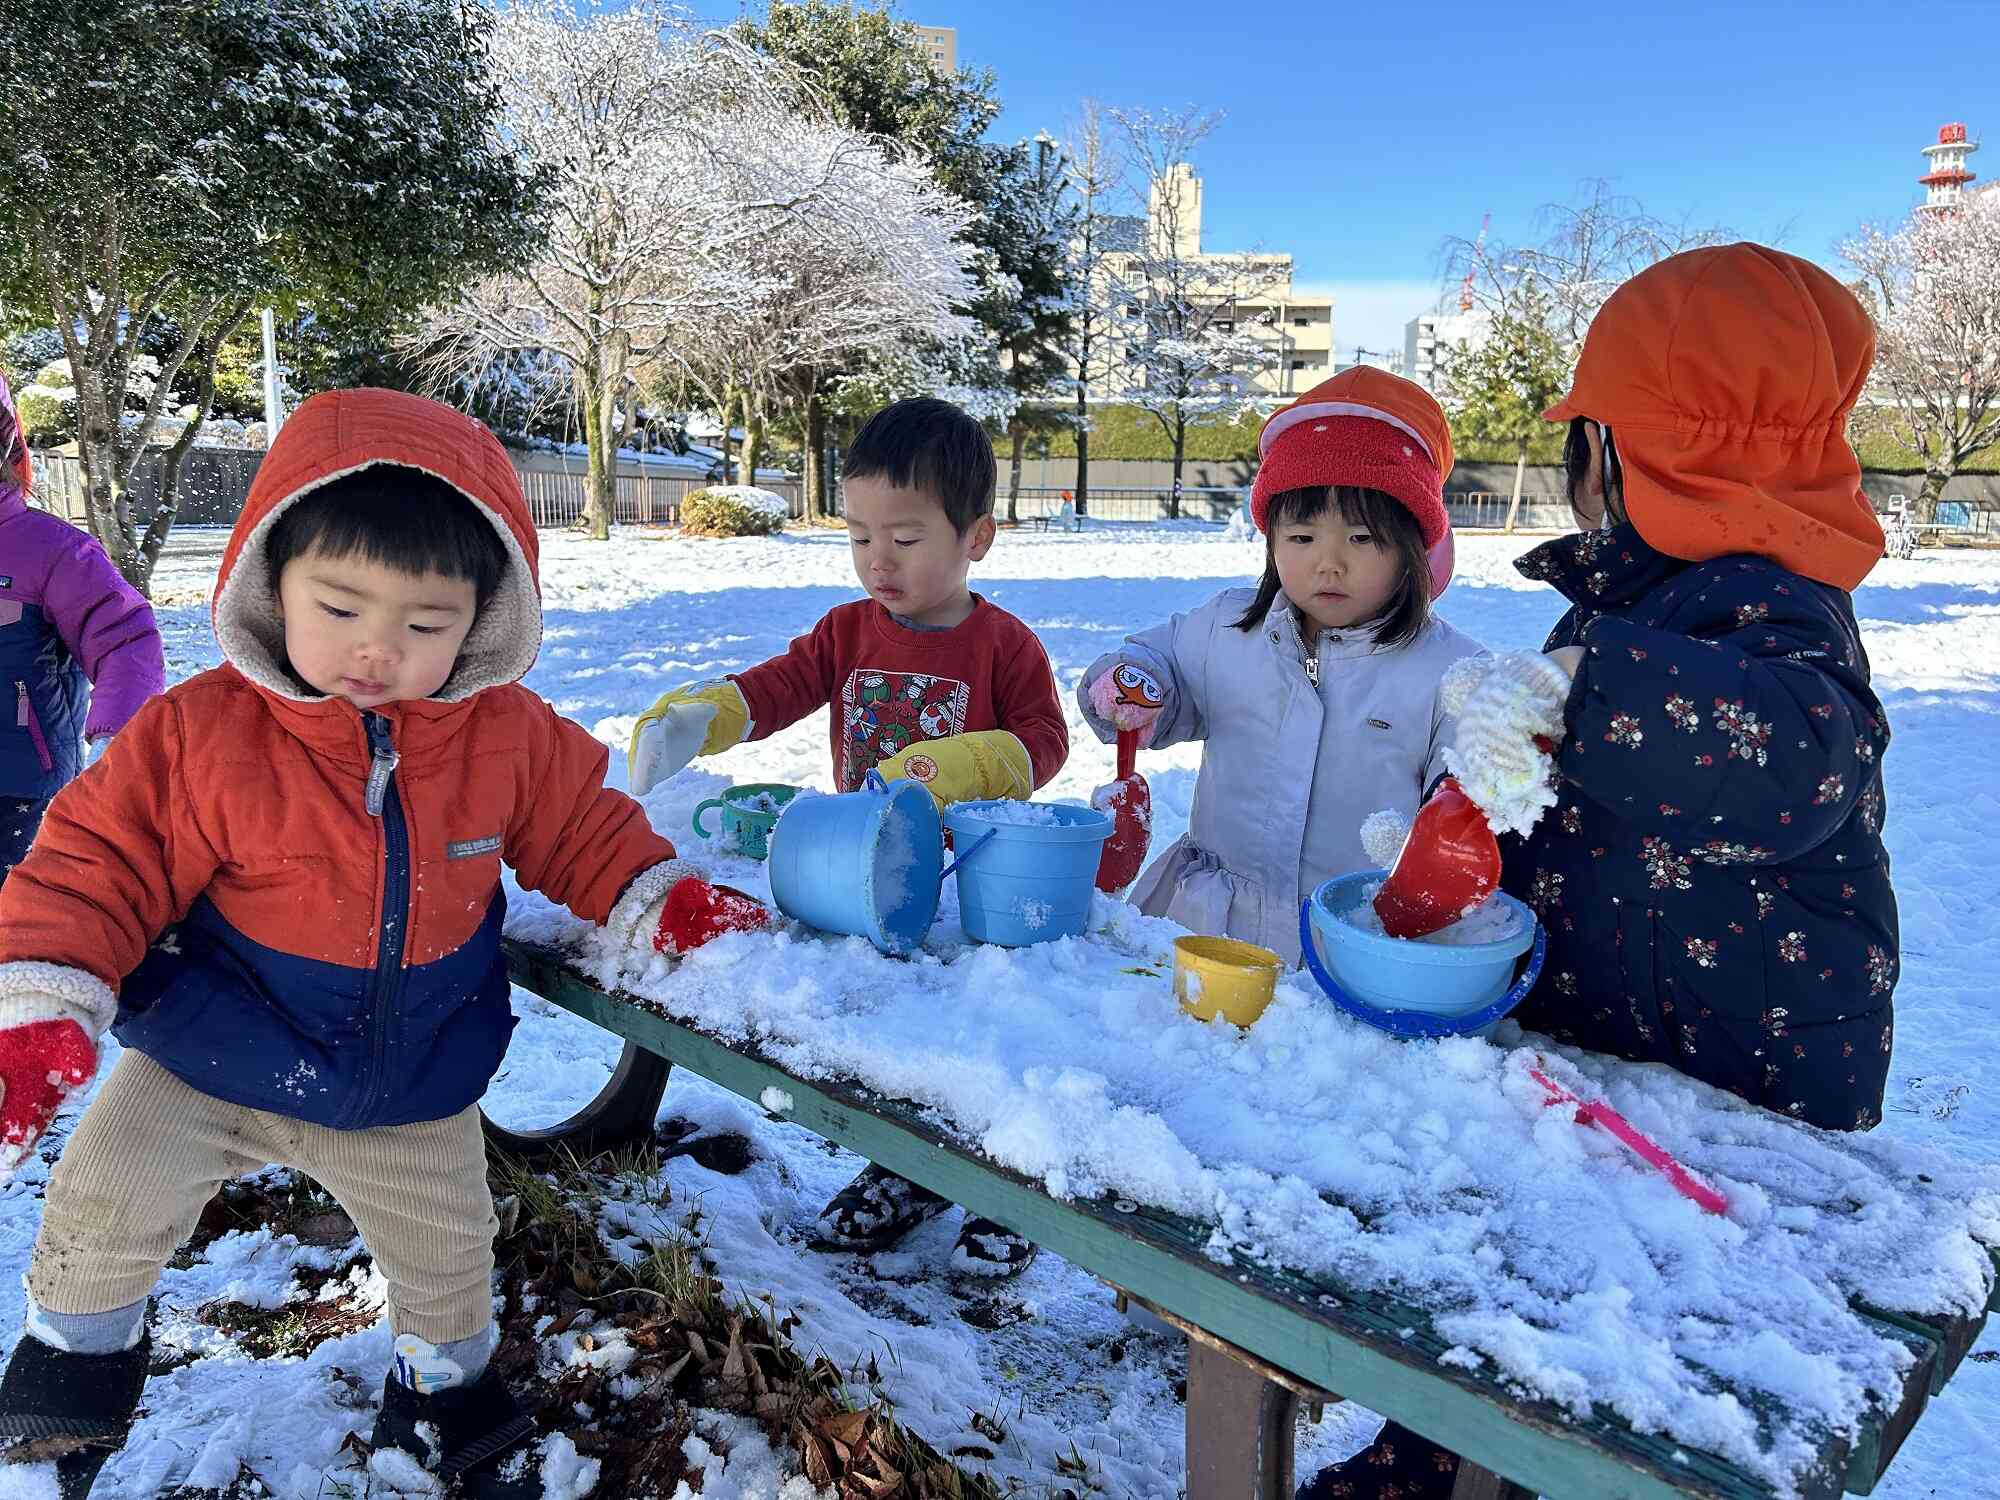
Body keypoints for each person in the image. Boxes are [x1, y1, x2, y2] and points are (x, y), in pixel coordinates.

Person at [0, 388, 713, 1499]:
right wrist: (44, 1004)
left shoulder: (506, 740)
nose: (377, 651)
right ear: (267, 581)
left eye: (424, 626)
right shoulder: (200, 736)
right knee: (103, 1194)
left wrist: (651, 897)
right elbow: (98, 864)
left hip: (408, 1079)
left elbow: (581, 826)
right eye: (338, 607)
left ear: (478, 620)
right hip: (208, 1054)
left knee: (447, 1254)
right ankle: (63, 1396)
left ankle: (437, 1404)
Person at [1303, 244, 1900, 1499]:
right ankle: (1446, 1453)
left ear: (1632, 455)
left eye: (1589, 439)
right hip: (1619, 1026)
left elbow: (1796, 764)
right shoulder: (1624, 605)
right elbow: (1582, 801)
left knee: (1670, 1361)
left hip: (1745, 1070)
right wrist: (1462, 826)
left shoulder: (1778, 608)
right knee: (1540, 1275)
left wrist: (1585, 691)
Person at [627, 397, 1069, 1275]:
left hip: (968, 883)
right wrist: (712, 713)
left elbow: (1045, 743)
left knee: (978, 1040)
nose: (878, 561)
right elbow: (785, 683)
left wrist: (975, 762)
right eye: (860, 536)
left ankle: (1007, 1186)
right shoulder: (846, 631)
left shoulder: (1003, 645)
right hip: (867, 874)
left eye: (905, 538)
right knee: (899, 1044)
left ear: (976, 537)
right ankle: (909, 1170)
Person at [1076, 368, 1485, 966]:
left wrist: (1462, 807)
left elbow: (1472, 781)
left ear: (1413, 549)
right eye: (1300, 537)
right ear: (1271, 542)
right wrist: (1135, 684)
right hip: (1210, 921)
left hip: (1353, 934)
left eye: (1363, 539)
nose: (1329, 565)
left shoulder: (1449, 670)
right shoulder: (1226, 629)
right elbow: (1158, 662)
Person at [0, 371, 163, 884]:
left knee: (22, 920)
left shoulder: (51, 551)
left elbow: (125, 638)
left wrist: (119, 730)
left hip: (22, 786)